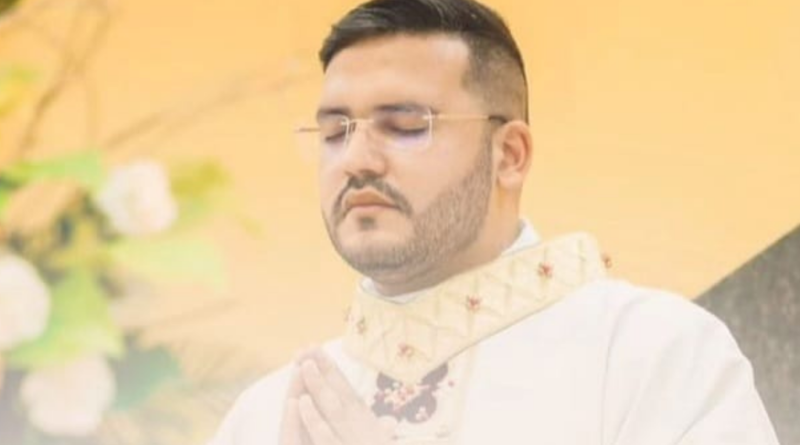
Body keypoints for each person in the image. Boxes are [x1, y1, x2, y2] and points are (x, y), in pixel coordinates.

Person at [208, 0, 780, 443]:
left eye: (404, 126)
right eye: (336, 132)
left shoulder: (651, 353)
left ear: (510, 155)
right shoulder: (266, 413)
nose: (356, 159)